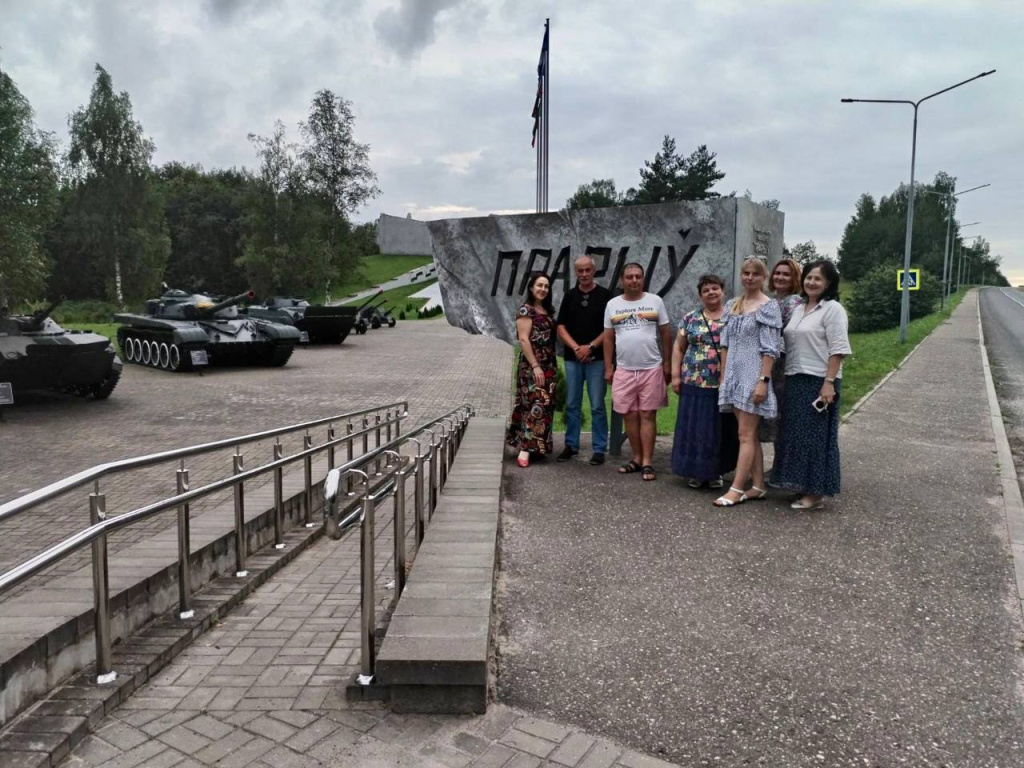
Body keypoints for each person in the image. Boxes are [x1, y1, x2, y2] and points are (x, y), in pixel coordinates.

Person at [773, 260, 852, 509]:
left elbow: (839, 348)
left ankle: (815, 493)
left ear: (828, 282)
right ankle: (801, 486)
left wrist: (828, 383)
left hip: (819, 380)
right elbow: (788, 342)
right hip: (795, 378)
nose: (812, 282)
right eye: (808, 277)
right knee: (797, 436)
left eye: (818, 278)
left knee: (816, 438)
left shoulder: (833, 309)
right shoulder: (800, 308)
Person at [713, 257, 782, 507]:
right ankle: (758, 485)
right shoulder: (733, 304)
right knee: (748, 435)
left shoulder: (768, 307)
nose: (750, 277)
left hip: (753, 376)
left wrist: (763, 380)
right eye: (746, 273)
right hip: (734, 375)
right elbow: (725, 344)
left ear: (763, 278)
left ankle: (736, 488)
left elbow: (770, 349)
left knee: (746, 434)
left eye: (755, 273)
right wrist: (724, 375)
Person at [602, 262, 672, 481]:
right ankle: (636, 458)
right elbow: (608, 338)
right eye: (629, 277)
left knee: (647, 414)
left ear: (643, 279)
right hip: (624, 369)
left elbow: (666, 334)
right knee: (629, 415)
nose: (634, 280)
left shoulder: (655, 301)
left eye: (638, 276)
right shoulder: (613, 304)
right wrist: (608, 367)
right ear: (622, 280)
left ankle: (648, 463)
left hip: (651, 367)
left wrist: (667, 364)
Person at [670, 274, 739, 488]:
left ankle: (715, 471)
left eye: (715, 288)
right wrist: (675, 375)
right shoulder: (691, 318)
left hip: (721, 384)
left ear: (722, 291)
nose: (711, 292)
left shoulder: (732, 317)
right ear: (700, 295)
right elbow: (678, 347)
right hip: (693, 382)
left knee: (717, 429)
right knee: (694, 427)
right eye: (706, 290)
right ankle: (694, 471)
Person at [556, 255, 613, 465]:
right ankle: (571, 445)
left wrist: (589, 347)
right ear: (576, 272)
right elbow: (560, 326)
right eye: (580, 271)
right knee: (572, 404)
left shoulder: (606, 296)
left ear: (594, 270)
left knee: (597, 405)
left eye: (587, 270)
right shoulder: (569, 296)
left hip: (597, 359)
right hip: (573, 359)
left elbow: (609, 329)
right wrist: (576, 348)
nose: (584, 274)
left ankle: (599, 448)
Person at [507, 272, 558, 468]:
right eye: (539, 285)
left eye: (546, 286)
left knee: (545, 404)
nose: (543, 289)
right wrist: (536, 366)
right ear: (531, 287)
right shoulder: (525, 310)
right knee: (536, 404)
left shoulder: (546, 311)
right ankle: (525, 449)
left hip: (549, 365)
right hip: (532, 366)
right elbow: (523, 339)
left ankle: (537, 446)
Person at [760, 258, 803, 457]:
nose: (780, 277)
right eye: (778, 273)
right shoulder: (769, 301)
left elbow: (784, 334)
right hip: (769, 363)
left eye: (786, 274)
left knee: (783, 416)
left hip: (782, 364)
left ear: (795, 278)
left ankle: (783, 465)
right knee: (774, 416)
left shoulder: (794, 302)